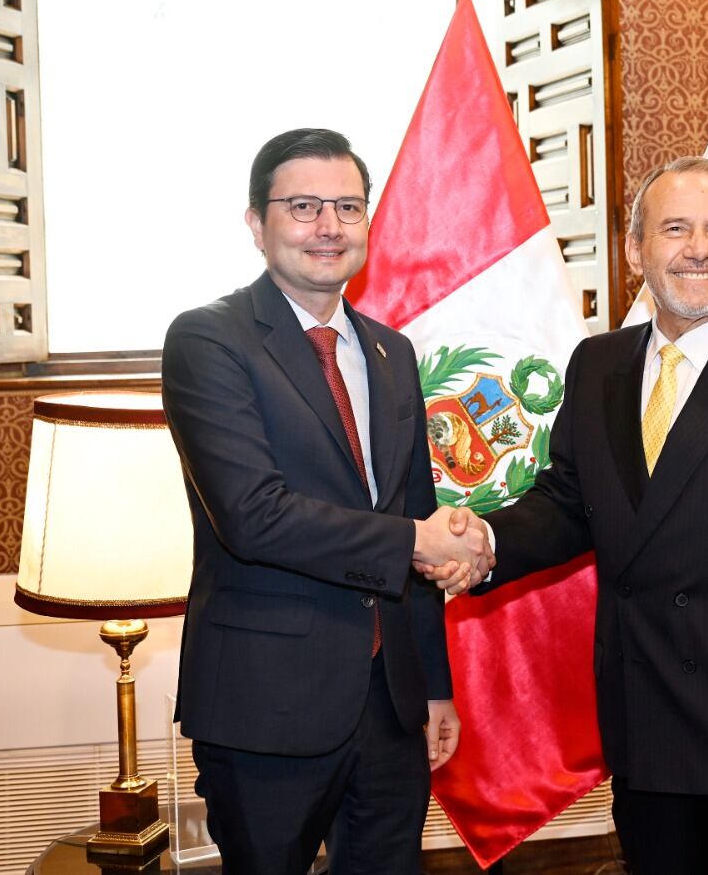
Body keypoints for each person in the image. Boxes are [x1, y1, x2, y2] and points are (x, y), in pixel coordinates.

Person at [428, 156, 708, 875]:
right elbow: (568, 502)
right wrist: (485, 539)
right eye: (675, 229)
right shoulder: (597, 367)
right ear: (634, 247)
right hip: (644, 715)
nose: (699, 248)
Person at [161, 128, 492, 875]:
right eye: (303, 206)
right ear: (257, 223)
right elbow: (254, 515)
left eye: (347, 206)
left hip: (389, 704)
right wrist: (416, 540)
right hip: (265, 702)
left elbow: (416, 508)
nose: (328, 227)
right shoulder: (209, 341)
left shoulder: (391, 351)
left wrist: (434, 685)